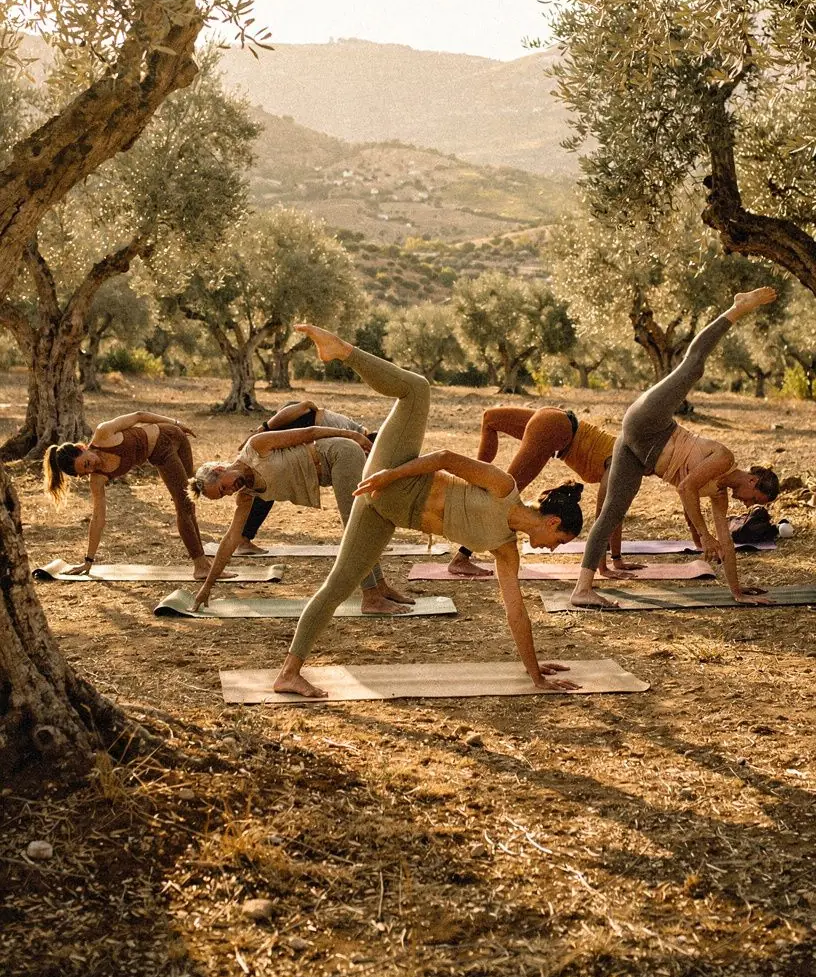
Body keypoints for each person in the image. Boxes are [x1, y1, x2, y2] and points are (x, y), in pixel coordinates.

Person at [272, 324, 585, 700]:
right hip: (391, 480)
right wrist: (390, 473)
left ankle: (287, 675)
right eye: (559, 540)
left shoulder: (506, 549)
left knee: (339, 585)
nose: (553, 548)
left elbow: (516, 614)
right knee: (417, 388)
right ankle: (342, 351)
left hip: (387, 513)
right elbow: (445, 459)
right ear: (552, 522)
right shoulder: (503, 488)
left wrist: (534, 672)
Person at [571, 288, 781, 610]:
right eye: (754, 499)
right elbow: (686, 488)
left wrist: (736, 590)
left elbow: (725, 543)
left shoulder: (720, 496)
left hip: (638, 451)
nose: (748, 503)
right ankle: (737, 308)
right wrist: (703, 535)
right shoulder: (724, 458)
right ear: (753, 483)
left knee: (612, 512)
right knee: (693, 367)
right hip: (650, 422)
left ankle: (582, 589)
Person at [189, 416, 411, 615]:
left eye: (223, 488)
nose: (230, 491)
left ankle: (372, 596)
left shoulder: (256, 447)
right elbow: (230, 540)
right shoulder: (247, 494)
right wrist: (207, 587)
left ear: (219, 470)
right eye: (224, 495)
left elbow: (309, 433)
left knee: (355, 528)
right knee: (358, 527)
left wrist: (352, 435)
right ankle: (379, 587)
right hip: (332, 468)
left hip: (340, 453)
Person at [447, 406, 644, 579]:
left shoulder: (622, 454)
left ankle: (475, 485)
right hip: (555, 431)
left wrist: (617, 559)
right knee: (502, 498)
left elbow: (615, 513)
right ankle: (460, 558)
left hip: (556, 419)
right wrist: (603, 567)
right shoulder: (624, 464)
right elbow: (606, 516)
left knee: (490, 419)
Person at [43, 411, 209, 578]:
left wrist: (176, 422)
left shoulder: (104, 433)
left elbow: (139, 416)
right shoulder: (97, 479)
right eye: (85, 472)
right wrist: (88, 560)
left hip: (174, 435)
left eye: (87, 463)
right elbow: (98, 518)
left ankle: (203, 565)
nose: (91, 469)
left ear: (82, 448)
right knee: (184, 505)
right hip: (162, 453)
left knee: (188, 505)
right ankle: (201, 567)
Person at [237, 398, 377, 552]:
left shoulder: (354, 431)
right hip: (305, 424)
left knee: (267, 485)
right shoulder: (354, 435)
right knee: (265, 486)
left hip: (304, 426)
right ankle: (243, 539)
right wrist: (262, 429)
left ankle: (243, 538)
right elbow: (305, 408)